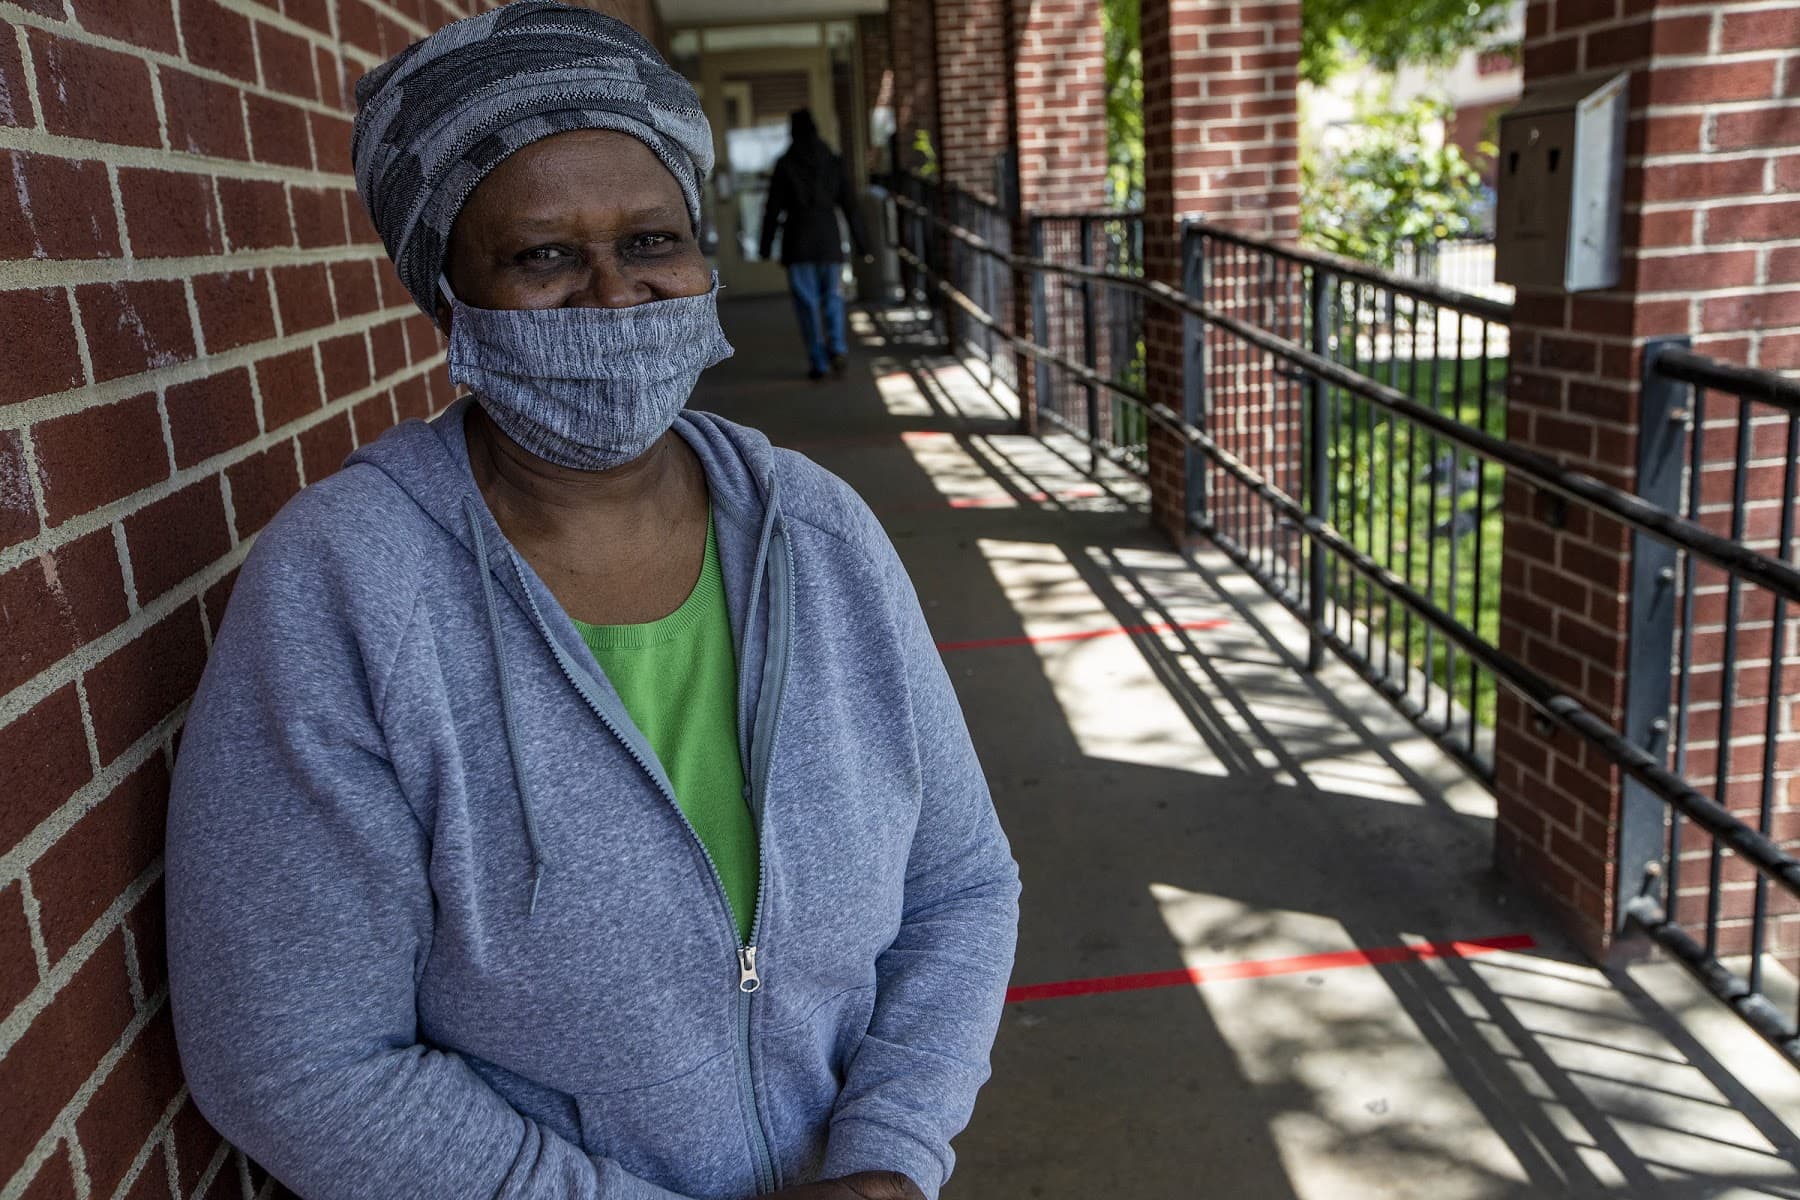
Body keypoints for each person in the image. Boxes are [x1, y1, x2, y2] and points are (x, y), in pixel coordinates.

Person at [163, 6, 1019, 1200]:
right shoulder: (348, 589)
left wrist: (890, 1154)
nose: (616, 297)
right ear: (448, 294)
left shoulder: (816, 534)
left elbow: (961, 884)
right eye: (543, 257)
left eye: (651, 239)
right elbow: (290, 1061)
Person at [758, 109, 870, 381]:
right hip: (828, 239)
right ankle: (838, 348)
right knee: (832, 296)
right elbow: (850, 206)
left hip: (798, 241)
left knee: (806, 305)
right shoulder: (832, 161)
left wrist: (765, 245)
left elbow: (772, 209)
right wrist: (863, 244)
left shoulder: (785, 164)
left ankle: (818, 361)